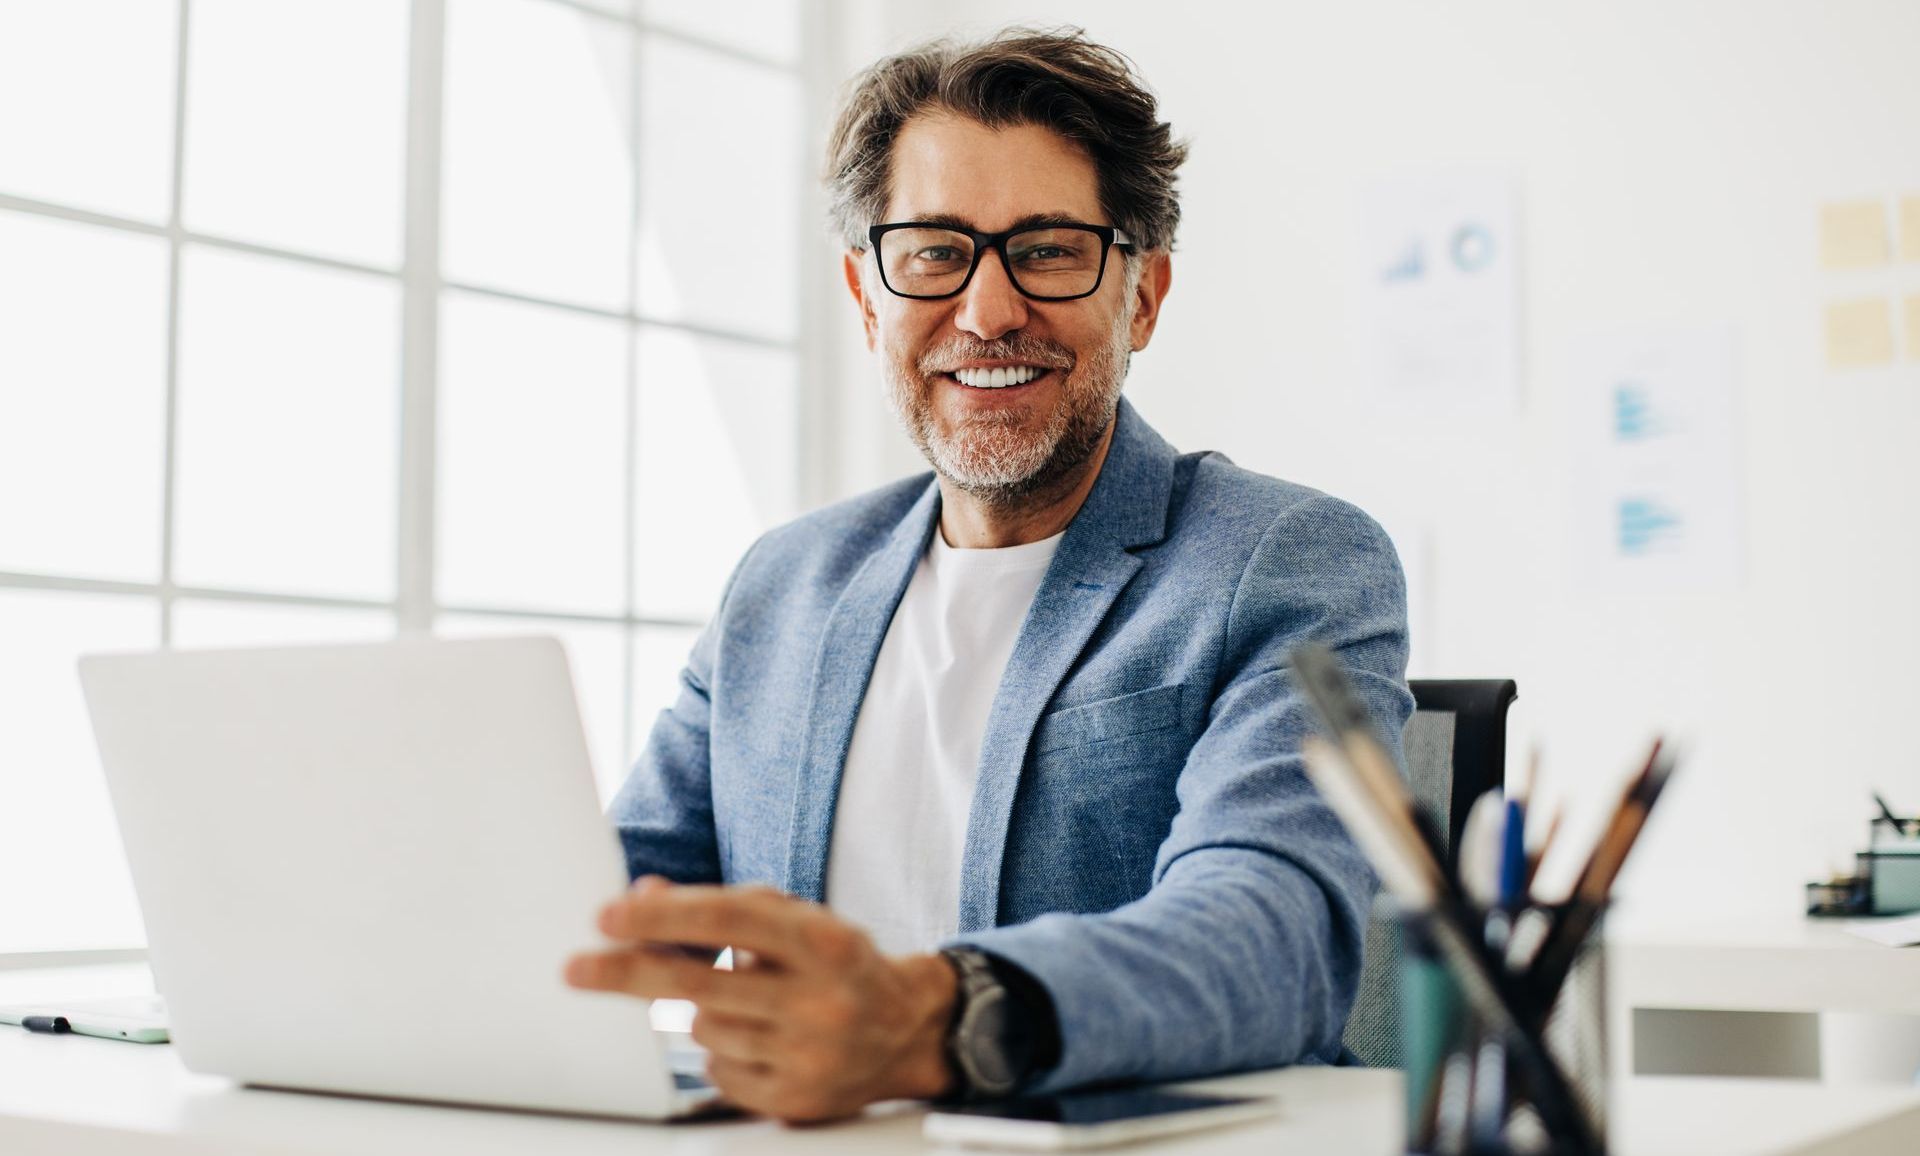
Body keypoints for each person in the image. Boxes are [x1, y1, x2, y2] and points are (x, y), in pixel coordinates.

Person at [563, 27, 1412, 1122]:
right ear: (868, 297)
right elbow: (617, 907)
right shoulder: (782, 585)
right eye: (932, 251)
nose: (988, 310)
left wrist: (932, 1018)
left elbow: (1272, 930)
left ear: (1143, 294)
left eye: (1050, 249)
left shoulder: (1283, 560)